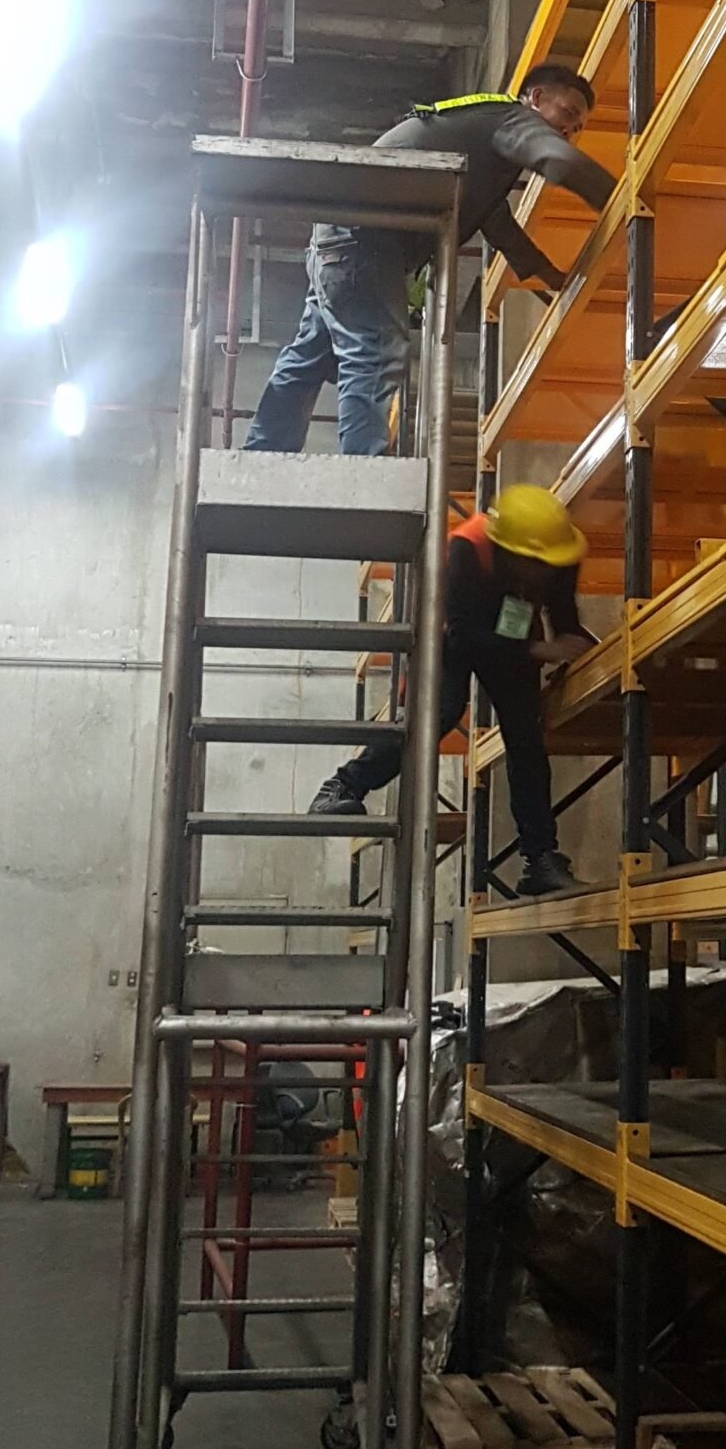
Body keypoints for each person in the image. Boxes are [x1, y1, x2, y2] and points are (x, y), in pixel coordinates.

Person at [245, 64, 614, 456]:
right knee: (376, 350)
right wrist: (624, 194)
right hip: (368, 237)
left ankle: (261, 453)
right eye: (568, 114)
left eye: (577, 128)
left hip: (343, 236)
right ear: (536, 98)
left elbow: (495, 220)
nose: (568, 131)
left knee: (310, 356)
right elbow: (563, 162)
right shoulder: (512, 118)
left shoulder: (481, 133)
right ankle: (364, 470)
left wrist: (552, 277)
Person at [309, 483, 595, 898]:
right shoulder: (468, 548)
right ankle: (342, 787)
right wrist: (539, 649)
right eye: (533, 565)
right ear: (510, 550)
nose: (542, 574)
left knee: (526, 740)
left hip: (514, 633)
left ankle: (540, 859)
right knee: (438, 712)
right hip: (458, 635)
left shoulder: (560, 552)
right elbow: (462, 636)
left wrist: (575, 650)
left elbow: (563, 615)